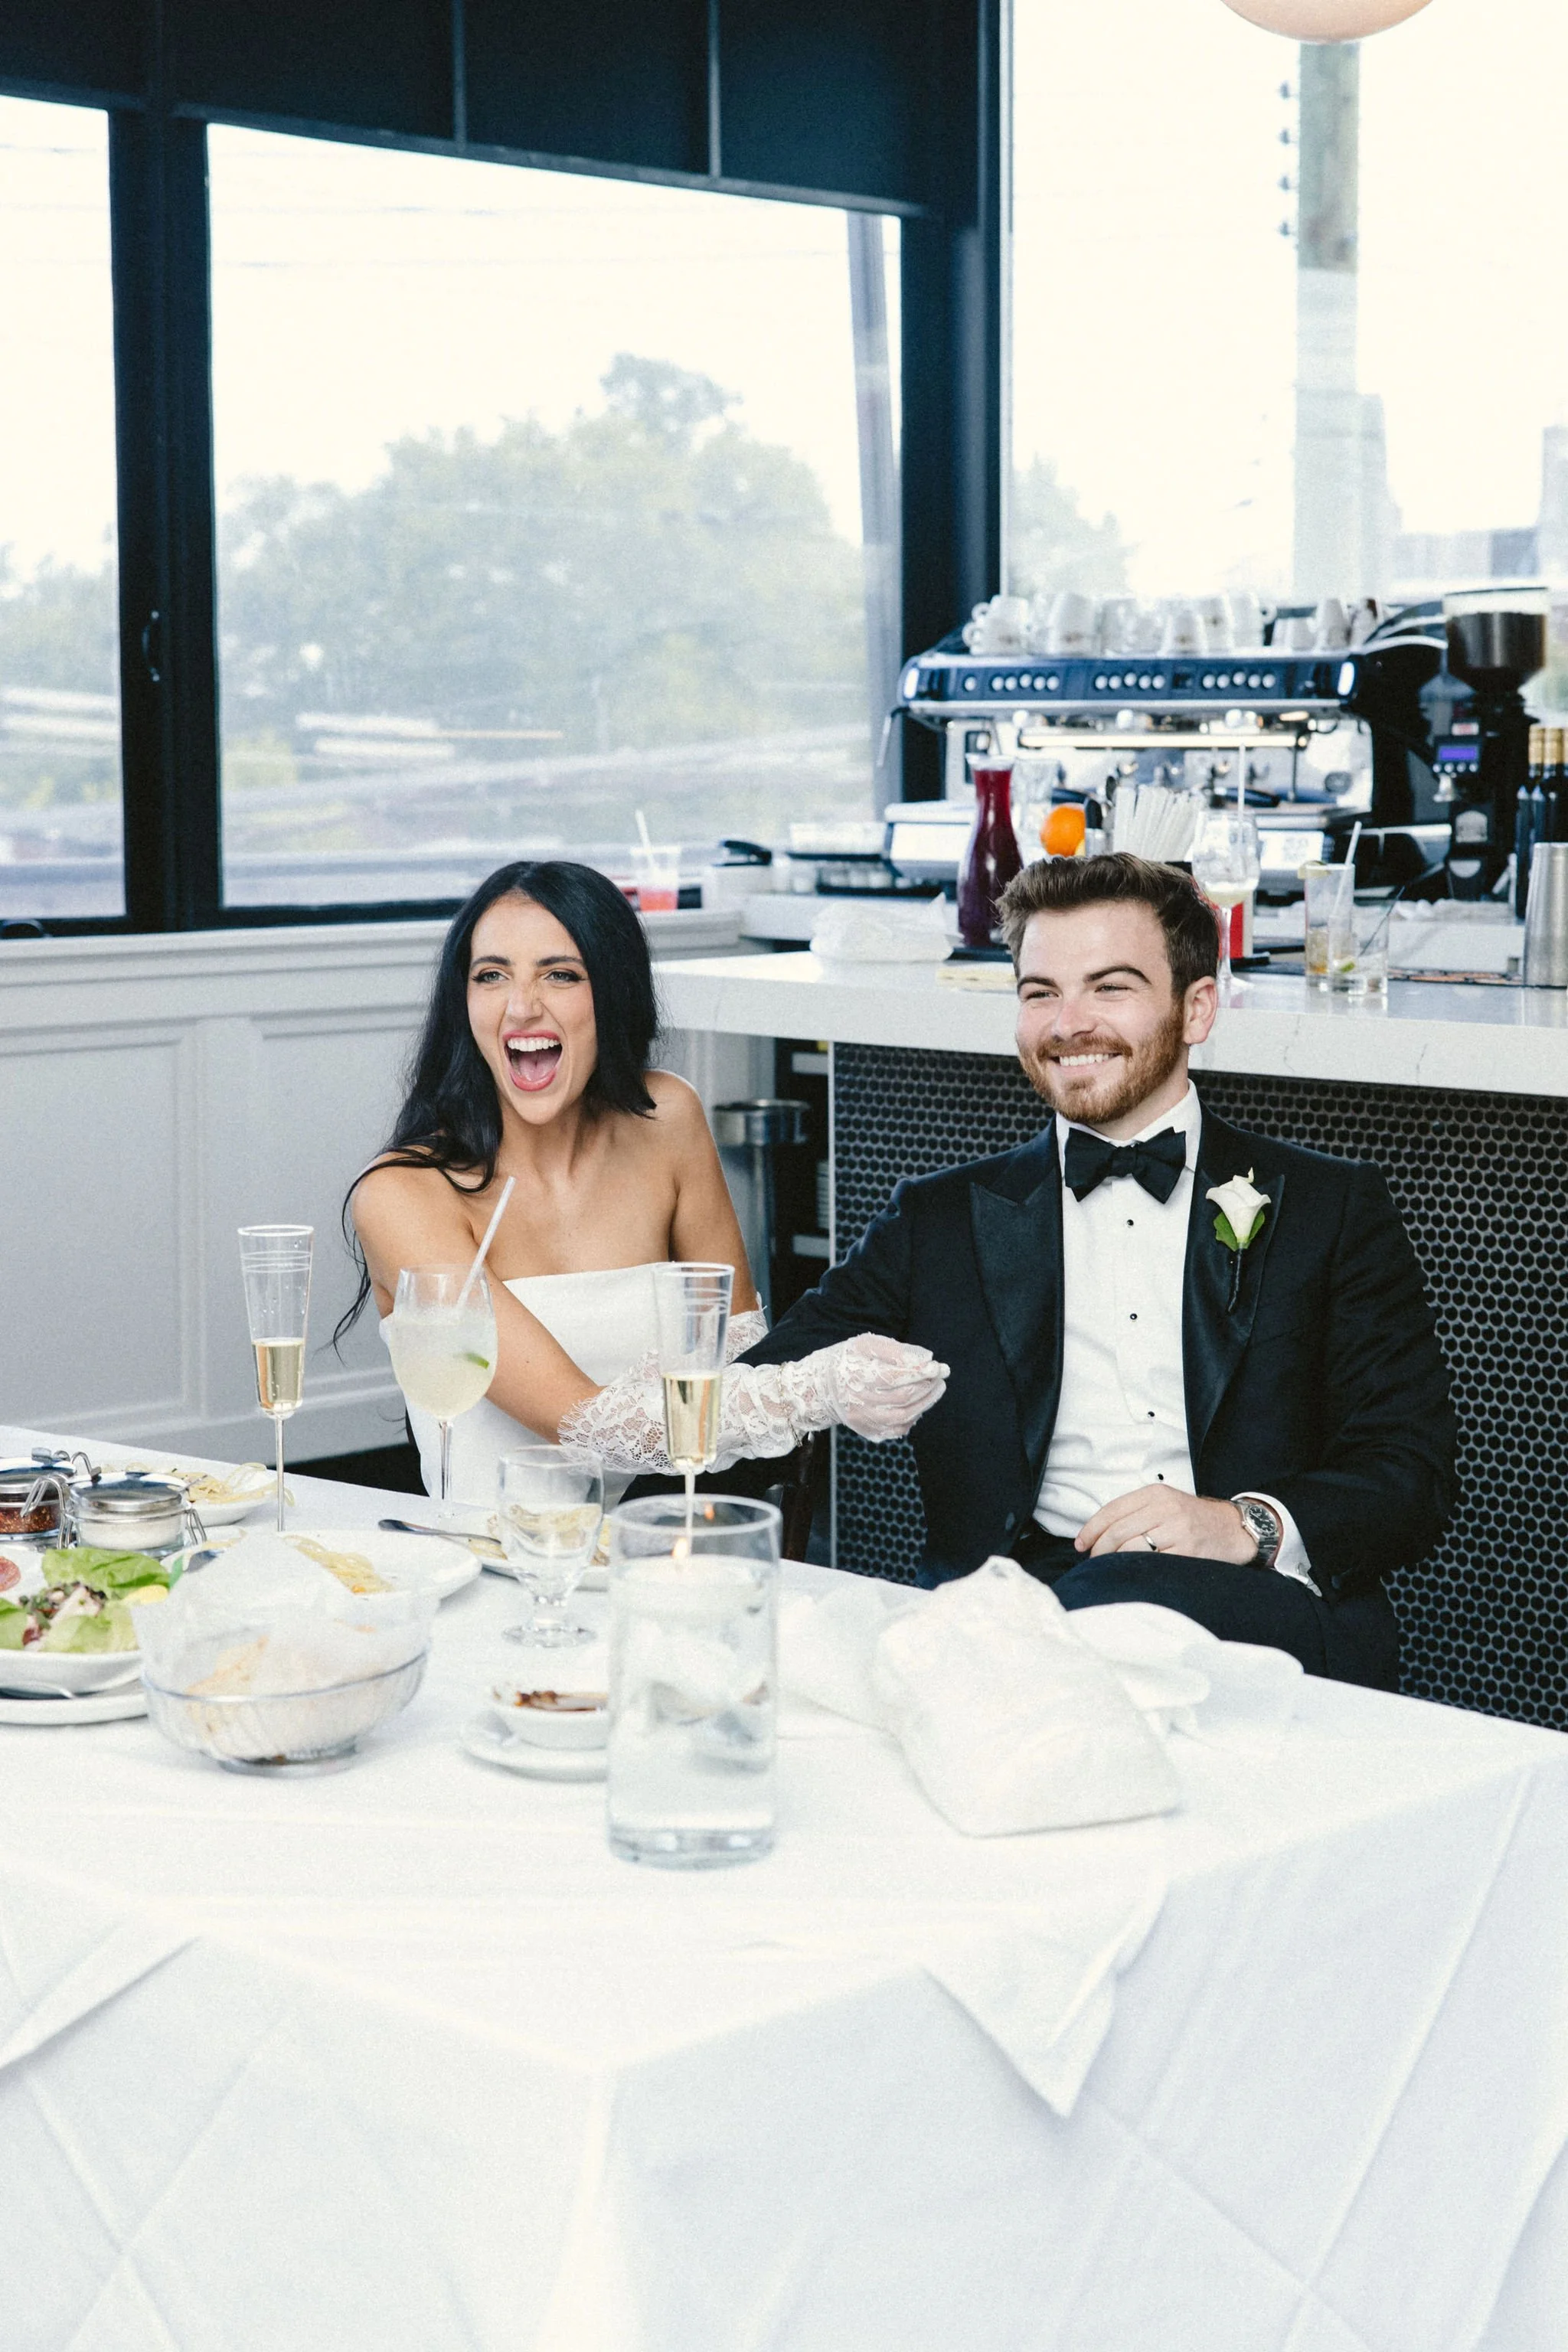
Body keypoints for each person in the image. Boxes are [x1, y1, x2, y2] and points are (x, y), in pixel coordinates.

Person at [741, 851, 1455, 1688]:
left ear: (1195, 1009)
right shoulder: (937, 1219)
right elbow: (764, 1394)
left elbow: (1410, 1474)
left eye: (1108, 987)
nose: (1066, 1023)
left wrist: (1242, 1525)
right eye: (1039, 992)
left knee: (1114, 1594)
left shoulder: (1328, 1207)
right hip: (1007, 1601)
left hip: (1254, 1609)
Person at [345, 858, 945, 1505]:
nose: (521, 1007)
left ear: (613, 991)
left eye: (562, 975)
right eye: (491, 976)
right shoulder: (403, 1195)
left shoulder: (668, 1119)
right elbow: (585, 1427)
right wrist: (820, 1388)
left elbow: (738, 1349)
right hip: (500, 1567)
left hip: (665, 1556)